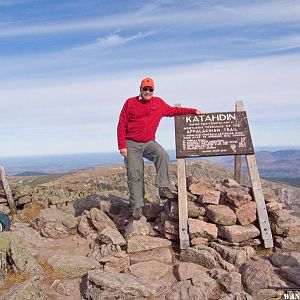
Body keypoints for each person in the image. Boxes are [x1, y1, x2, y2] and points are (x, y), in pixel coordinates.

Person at [117, 77, 203, 220]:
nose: (148, 91)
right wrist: (122, 146)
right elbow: (121, 124)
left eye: (150, 89)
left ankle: (163, 187)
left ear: (153, 90)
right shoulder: (130, 103)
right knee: (135, 174)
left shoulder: (158, 103)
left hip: (149, 142)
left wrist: (193, 111)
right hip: (131, 143)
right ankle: (137, 206)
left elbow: (174, 110)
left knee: (163, 155)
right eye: (145, 89)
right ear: (140, 89)